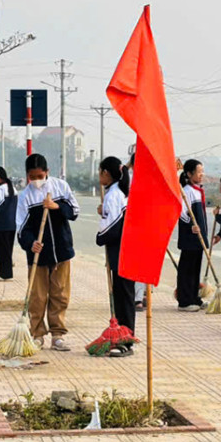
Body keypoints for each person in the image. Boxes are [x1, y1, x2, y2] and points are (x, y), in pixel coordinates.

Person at [16, 154, 80, 351]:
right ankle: (37, 333)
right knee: (38, 296)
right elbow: (21, 228)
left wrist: (57, 207)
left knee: (60, 294)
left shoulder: (61, 187)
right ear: (27, 175)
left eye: (39, 175)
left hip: (61, 251)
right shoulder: (25, 196)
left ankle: (58, 334)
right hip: (38, 256)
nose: (36, 180)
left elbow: (74, 212)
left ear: (47, 172)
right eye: (32, 177)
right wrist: (30, 243)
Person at [96, 156, 136, 357]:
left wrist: (99, 237)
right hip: (123, 251)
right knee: (122, 295)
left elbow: (112, 229)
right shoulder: (117, 192)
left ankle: (126, 340)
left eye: (100, 171)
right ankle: (121, 335)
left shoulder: (114, 195)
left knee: (124, 297)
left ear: (105, 173)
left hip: (122, 252)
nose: (99, 176)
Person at [177, 159, 208, 312]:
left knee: (195, 268)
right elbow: (181, 213)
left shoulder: (197, 190)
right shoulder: (187, 191)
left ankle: (195, 297)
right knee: (187, 269)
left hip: (198, 239)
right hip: (189, 238)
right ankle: (184, 300)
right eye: (199, 172)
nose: (202, 174)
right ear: (189, 174)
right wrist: (190, 226)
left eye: (202, 171)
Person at [128, 152, 147, 311]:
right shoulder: (126, 180)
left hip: (146, 228)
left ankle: (141, 296)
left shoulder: (149, 180)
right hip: (131, 228)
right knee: (135, 265)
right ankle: (137, 298)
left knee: (143, 265)